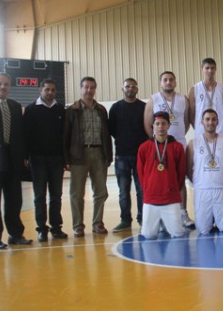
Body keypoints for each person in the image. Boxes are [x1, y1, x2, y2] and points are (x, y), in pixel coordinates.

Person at [0, 72, 31, 249]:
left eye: (6, 84)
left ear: (10, 86)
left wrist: (24, 157)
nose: (2, 87)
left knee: (14, 200)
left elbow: (21, 134)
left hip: (13, 160)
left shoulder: (15, 106)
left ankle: (15, 234)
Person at [144, 71, 194, 228]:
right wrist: (157, 141)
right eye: (165, 80)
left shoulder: (183, 99)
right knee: (161, 178)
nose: (168, 82)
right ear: (160, 83)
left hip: (178, 143)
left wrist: (177, 137)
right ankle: (160, 216)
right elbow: (148, 123)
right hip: (159, 146)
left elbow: (186, 122)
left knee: (181, 178)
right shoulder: (153, 100)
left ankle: (183, 213)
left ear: (175, 82)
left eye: (171, 79)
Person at [64, 76, 113, 237]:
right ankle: (78, 225)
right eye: (86, 87)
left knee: (101, 192)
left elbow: (106, 134)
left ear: (95, 89)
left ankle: (97, 223)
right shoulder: (72, 110)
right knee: (76, 193)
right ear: (81, 89)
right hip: (78, 154)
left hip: (99, 154)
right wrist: (66, 159)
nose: (89, 90)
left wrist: (108, 156)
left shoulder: (101, 110)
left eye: (92, 87)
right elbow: (66, 136)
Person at [23, 79, 68, 242]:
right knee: (39, 196)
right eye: (47, 89)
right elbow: (25, 135)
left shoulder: (60, 109)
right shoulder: (31, 109)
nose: (50, 92)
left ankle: (56, 227)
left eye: (53, 90)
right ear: (40, 90)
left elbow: (64, 136)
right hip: (37, 159)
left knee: (56, 195)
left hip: (57, 159)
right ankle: (42, 229)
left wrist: (65, 158)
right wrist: (25, 157)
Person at [137, 111, 187, 239]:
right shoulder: (144, 147)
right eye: (157, 124)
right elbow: (140, 173)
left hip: (171, 198)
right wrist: (148, 189)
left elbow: (181, 172)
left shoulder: (177, 147)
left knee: (178, 234)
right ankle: (161, 224)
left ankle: (165, 223)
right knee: (148, 235)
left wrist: (174, 188)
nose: (160, 127)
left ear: (169, 125)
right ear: (153, 126)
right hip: (151, 198)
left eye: (164, 123)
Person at [108, 78, 148, 232]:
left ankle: (143, 219)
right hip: (121, 156)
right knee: (123, 191)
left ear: (137, 89)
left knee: (141, 190)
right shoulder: (115, 108)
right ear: (122, 89)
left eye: (133, 86)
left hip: (140, 156)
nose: (130, 89)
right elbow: (111, 130)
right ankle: (125, 220)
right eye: (127, 86)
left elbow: (148, 128)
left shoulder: (144, 107)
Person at [186, 109, 223, 234]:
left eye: (213, 119)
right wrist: (198, 181)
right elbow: (188, 168)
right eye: (207, 119)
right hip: (202, 190)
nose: (210, 122)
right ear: (202, 122)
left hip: (222, 188)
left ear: (218, 122)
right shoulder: (193, 143)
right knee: (203, 230)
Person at [189, 58, 223, 134]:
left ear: (215, 69)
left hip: (220, 130)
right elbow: (191, 114)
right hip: (201, 131)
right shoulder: (194, 89)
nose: (210, 70)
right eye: (207, 68)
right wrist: (197, 127)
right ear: (202, 69)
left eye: (212, 68)